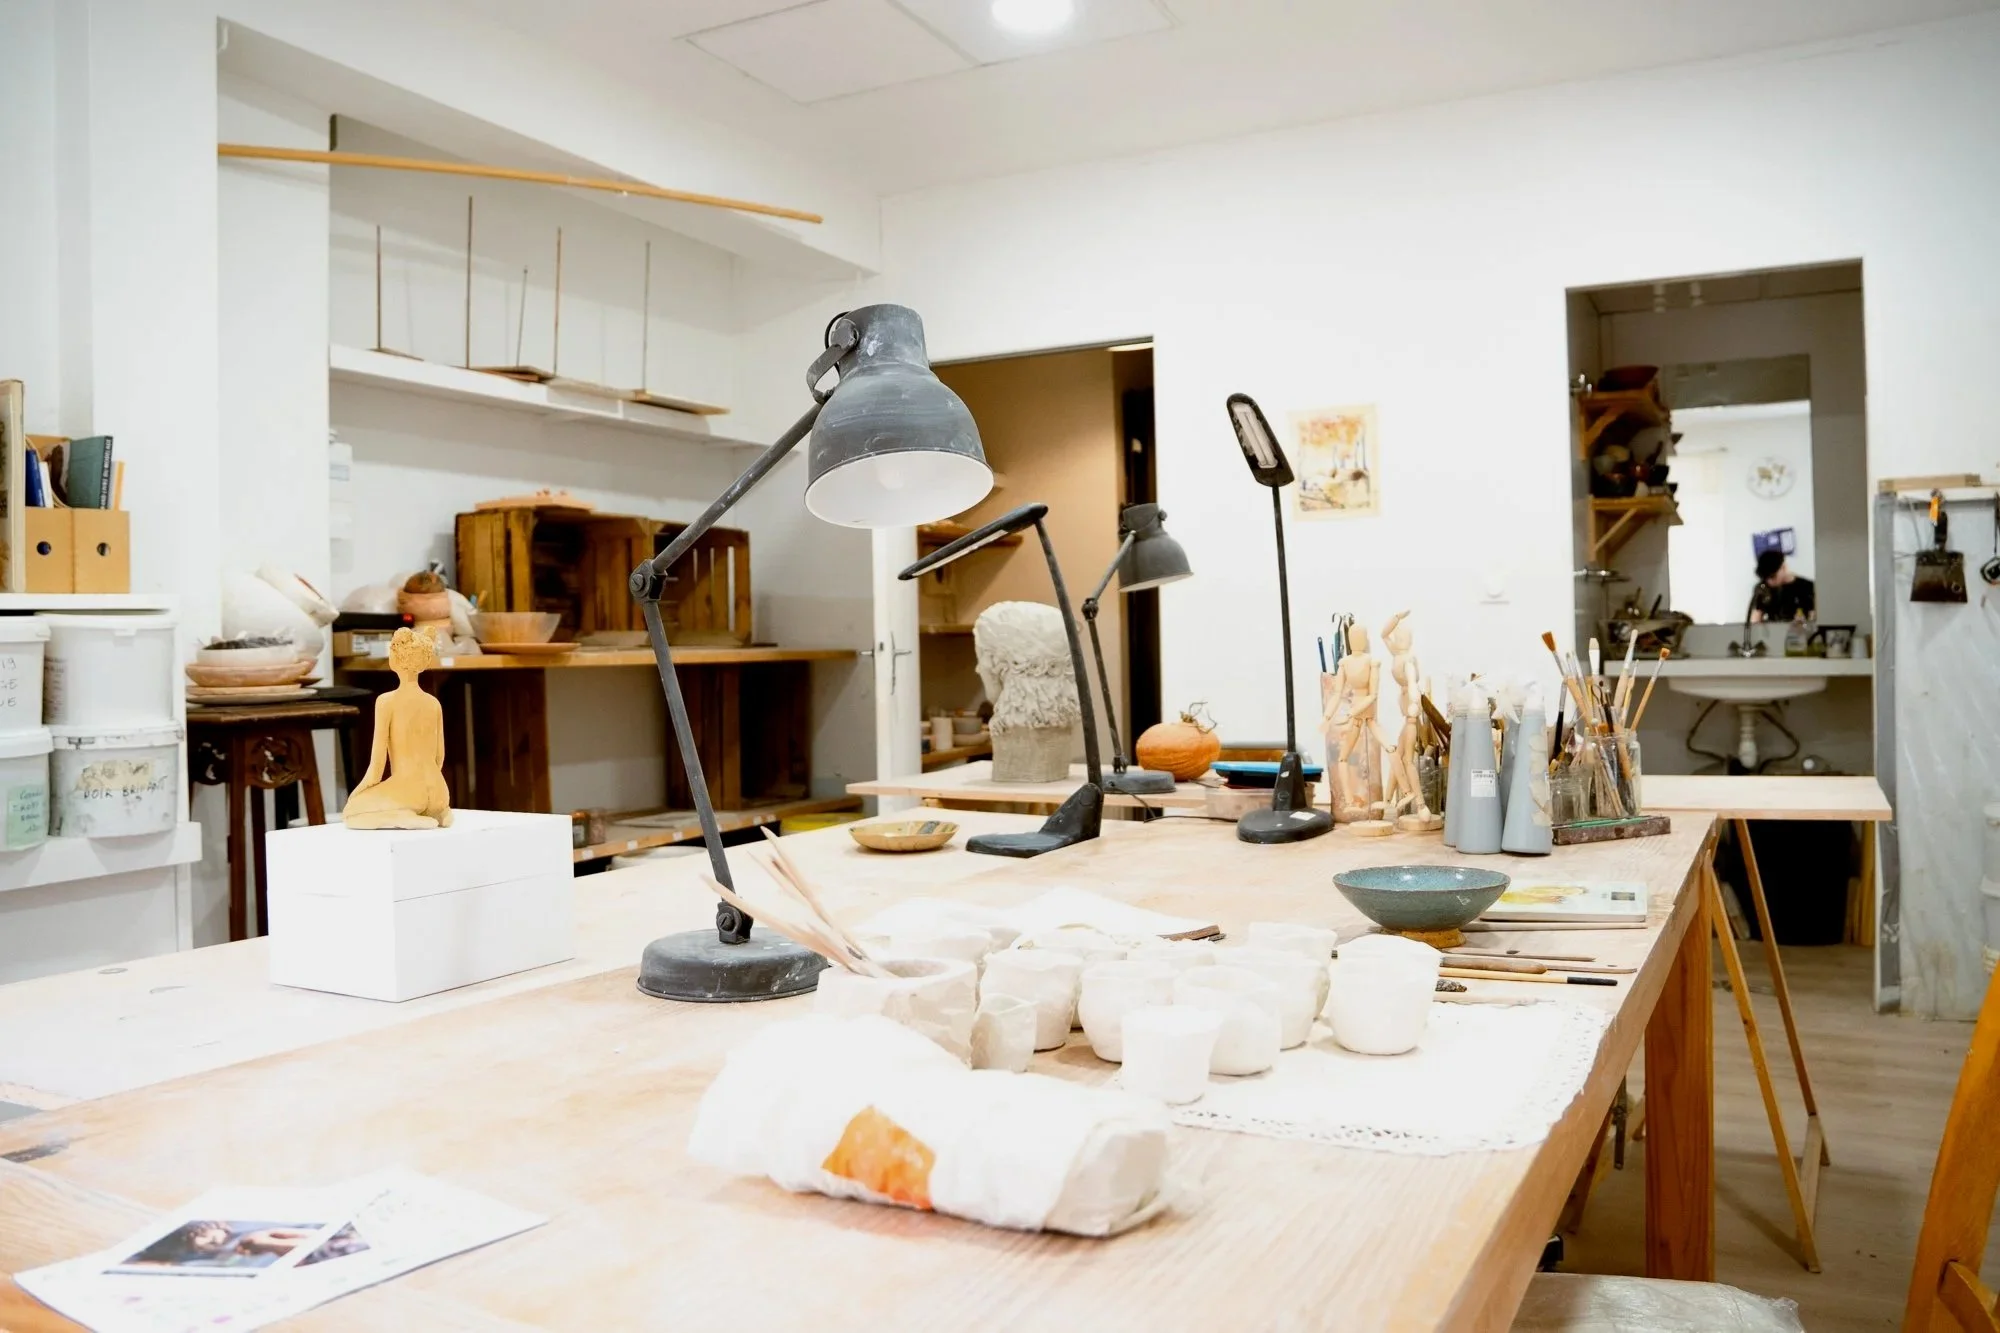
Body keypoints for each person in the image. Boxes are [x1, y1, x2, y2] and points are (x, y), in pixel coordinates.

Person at [1750, 549, 1816, 623]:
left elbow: (1813, 619)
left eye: (1773, 577)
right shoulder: (1763, 588)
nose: (1769, 581)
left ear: (1784, 567)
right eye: (1765, 577)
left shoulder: (1807, 587)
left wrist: (1806, 621)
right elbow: (1755, 620)